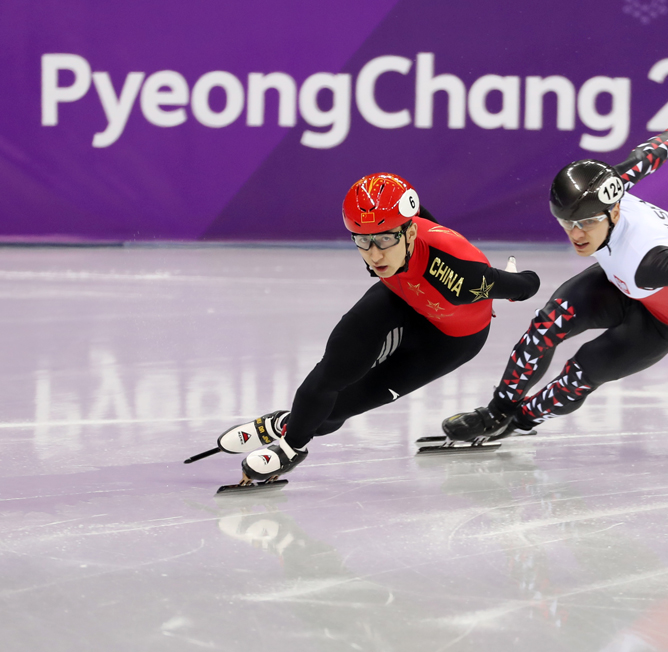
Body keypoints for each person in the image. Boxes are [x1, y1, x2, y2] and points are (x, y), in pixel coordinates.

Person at [442, 111, 668, 442]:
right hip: (624, 282)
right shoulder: (608, 188)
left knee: (583, 370)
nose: (576, 234)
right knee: (548, 324)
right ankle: (496, 412)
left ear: (615, 211)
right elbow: (647, 156)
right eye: (567, 223)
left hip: (664, 321)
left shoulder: (650, 263)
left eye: (587, 223)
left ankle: (522, 419)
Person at [215, 173, 541, 483]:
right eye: (363, 241)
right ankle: (291, 444)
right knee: (336, 365)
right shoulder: (396, 229)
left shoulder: (461, 280)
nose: (374, 254)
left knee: (334, 413)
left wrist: (505, 284)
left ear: (409, 234)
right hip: (402, 298)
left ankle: (289, 425)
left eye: (385, 240)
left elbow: (527, 285)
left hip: (448, 340)